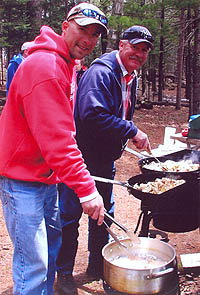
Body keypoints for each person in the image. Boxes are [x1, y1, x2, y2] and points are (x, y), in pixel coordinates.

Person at [0, 2, 108, 295]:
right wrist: (87, 189)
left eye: (95, 34)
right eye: (83, 29)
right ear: (65, 26)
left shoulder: (64, 63)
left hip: (43, 177)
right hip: (22, 180)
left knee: (48, 253)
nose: (88, 39)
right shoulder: (46, 67)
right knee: (32, 264)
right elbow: (58, 139)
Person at [56, 25, 154, 294]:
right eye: (135, 46)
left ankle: (97, 264)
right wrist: (131, 130)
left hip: (103, 158)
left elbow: (118, 114)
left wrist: (126, 132)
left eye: (144, 50)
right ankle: (63, 273)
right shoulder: (102, 72)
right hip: (80, 158)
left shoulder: (128, 75)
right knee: (69, 216)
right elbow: (92, 115)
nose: (139, 53)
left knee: (103, 214)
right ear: (122, 45)